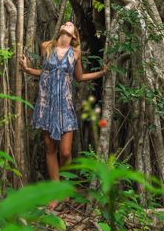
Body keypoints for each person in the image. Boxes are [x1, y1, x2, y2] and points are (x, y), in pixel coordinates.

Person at [19, 21, 107, 189]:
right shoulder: (46, 46)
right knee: (50, 148)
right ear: (60, 29)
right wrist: (27, 69)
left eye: (71, 24)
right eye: (65, 23)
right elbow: (45, 72)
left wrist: (102, 73)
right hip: (46, 102)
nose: (67, 23)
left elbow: (79, 77)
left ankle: (65, 185)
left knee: (65, 152)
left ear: (74, 35)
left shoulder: (75, 53)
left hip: (65, 104)